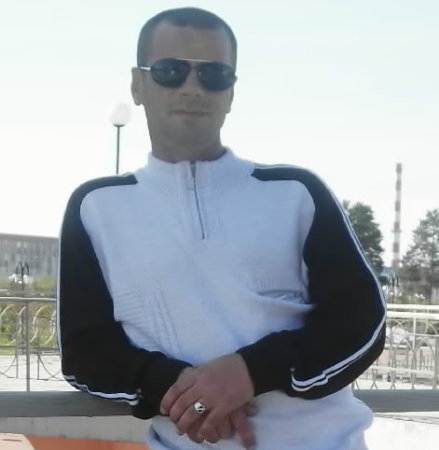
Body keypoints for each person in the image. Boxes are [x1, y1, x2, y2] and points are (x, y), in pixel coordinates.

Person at [57, 7, 386, 450]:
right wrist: (182, 390)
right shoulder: (95, 207)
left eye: (214, 75)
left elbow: (361, 321)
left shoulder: (296, 192)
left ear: (231, 93)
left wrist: (249, 372)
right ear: (137, 84)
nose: (192, 88)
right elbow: (86, 351)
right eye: (170, 71)